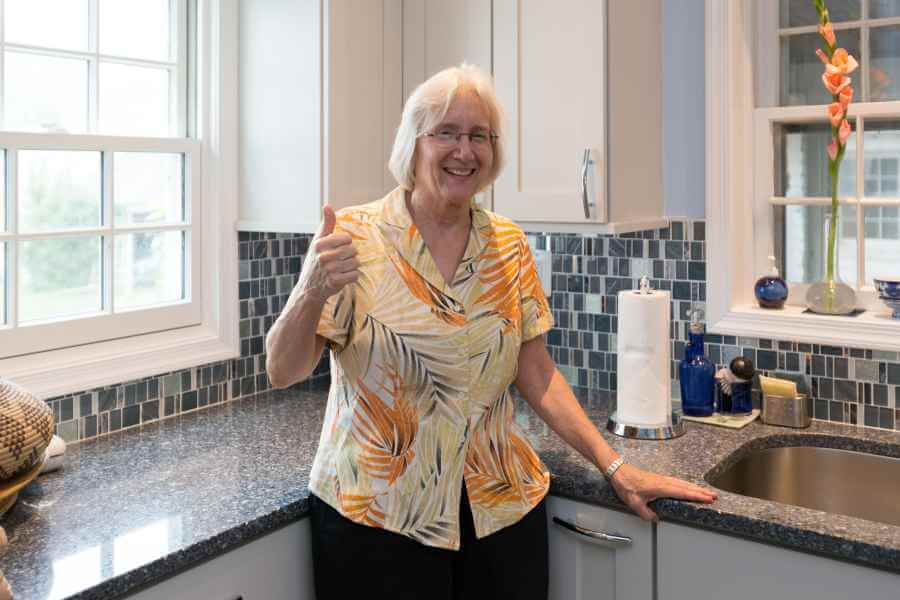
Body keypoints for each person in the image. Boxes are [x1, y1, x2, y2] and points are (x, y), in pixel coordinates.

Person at [265, 64, 717, 600]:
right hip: (377, 521)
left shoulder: (507, 243)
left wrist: (615, 465)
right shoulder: (355, 238)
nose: (465, 150)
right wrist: (310, 287)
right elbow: (282, 370)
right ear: (414, 143)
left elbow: (537, 373)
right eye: (447, 132)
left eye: (479, 135)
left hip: (500, 514)